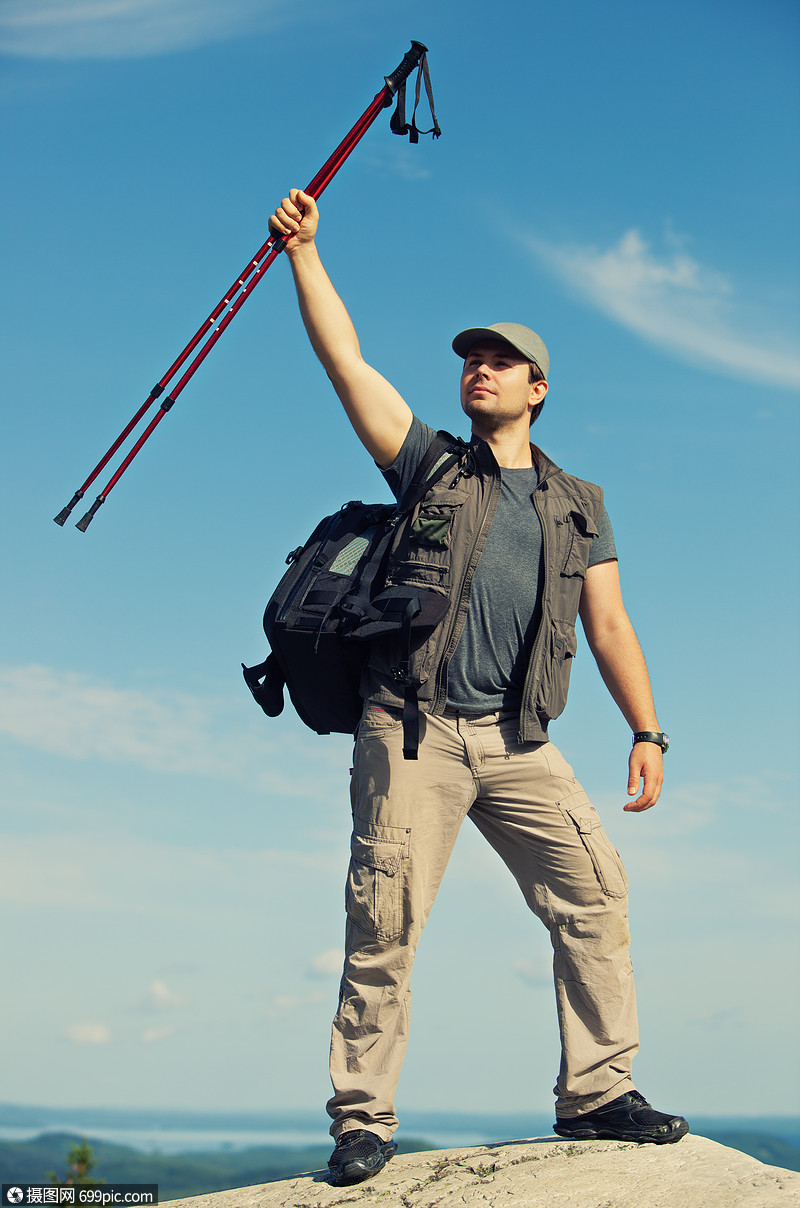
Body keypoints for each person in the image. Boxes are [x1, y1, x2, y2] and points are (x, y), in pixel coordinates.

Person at [268, 189, 689, 1187]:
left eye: (497, 359)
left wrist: (647, 729)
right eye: (469, 357)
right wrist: (305, 256)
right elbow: (346, 364)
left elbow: (609, 622)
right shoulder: (428, 467)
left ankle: (594, 1093)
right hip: (411, 731)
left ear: (536, 386)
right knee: (384, 923)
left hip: (520, 742)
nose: (476, 368)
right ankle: (361, 1118)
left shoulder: (578, 506)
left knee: (594, 895)